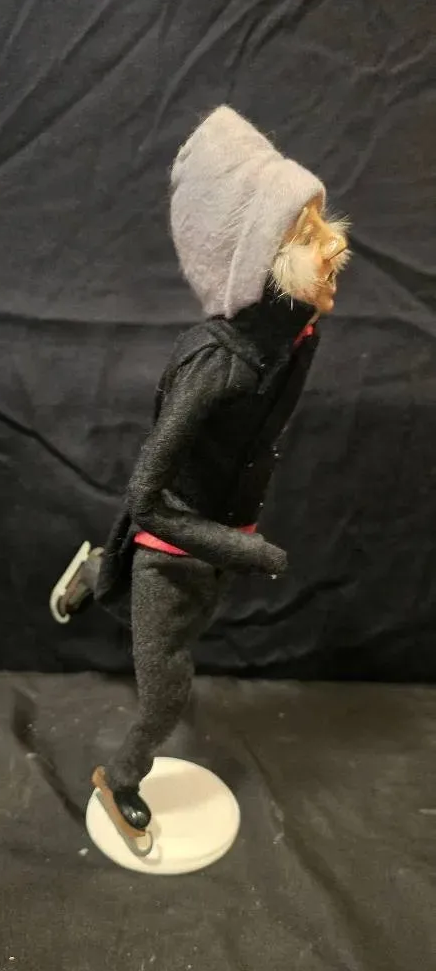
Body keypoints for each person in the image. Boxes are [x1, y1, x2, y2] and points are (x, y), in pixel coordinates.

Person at [50, 105, 350, 856]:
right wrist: (247, 550)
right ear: (260, 260)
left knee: (185, 633)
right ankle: (120, 779)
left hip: (216, 536)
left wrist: (235, 541)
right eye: (308, 235)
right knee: (169, 693)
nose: (335, 245)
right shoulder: (217, 365)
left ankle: (97, 571)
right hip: (175, 549)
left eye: (322, 223)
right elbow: (146, 497)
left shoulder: (290, 340)